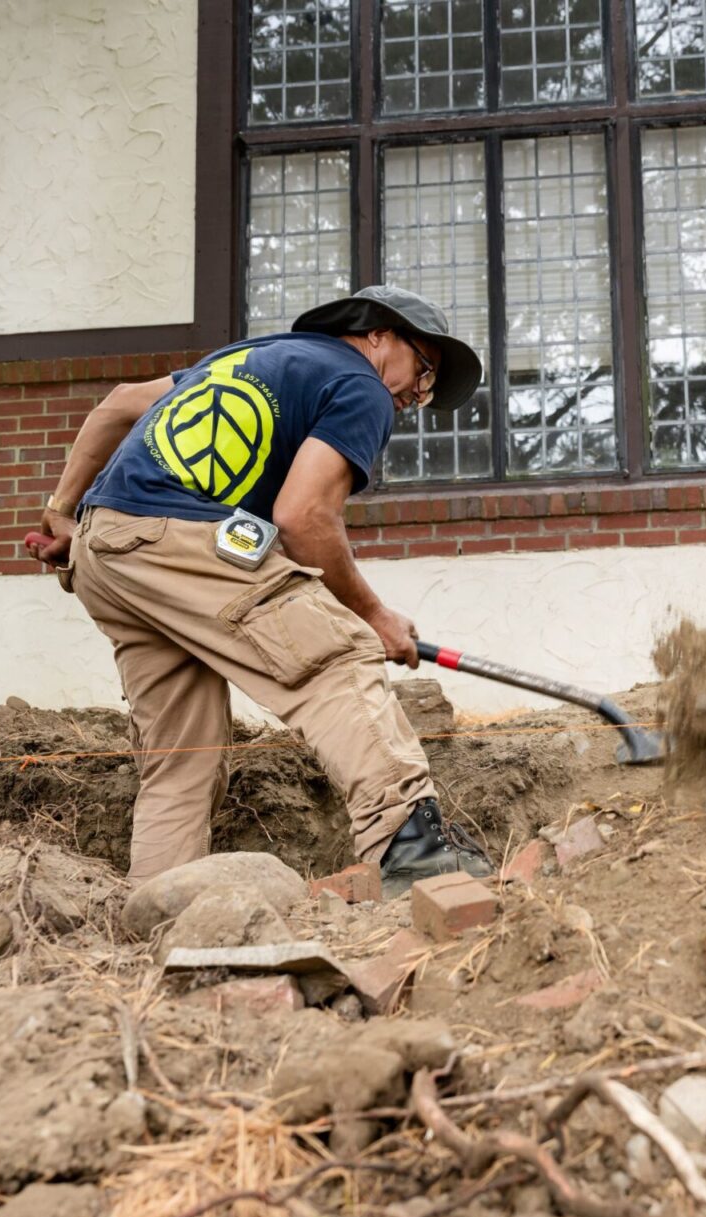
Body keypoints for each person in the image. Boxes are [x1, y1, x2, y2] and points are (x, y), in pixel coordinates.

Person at [30, 285, 492, 896]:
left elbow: (117, 407)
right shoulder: (360, 385)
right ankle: (414, 848)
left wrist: (63, 515)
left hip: (106, 551)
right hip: (178, 538)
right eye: (425, 371)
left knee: (184, 753)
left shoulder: (247, 358)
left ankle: (159, 909)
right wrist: (374, 615)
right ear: (379, 334)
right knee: (338, 659)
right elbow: (303, 516)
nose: (416, 397)